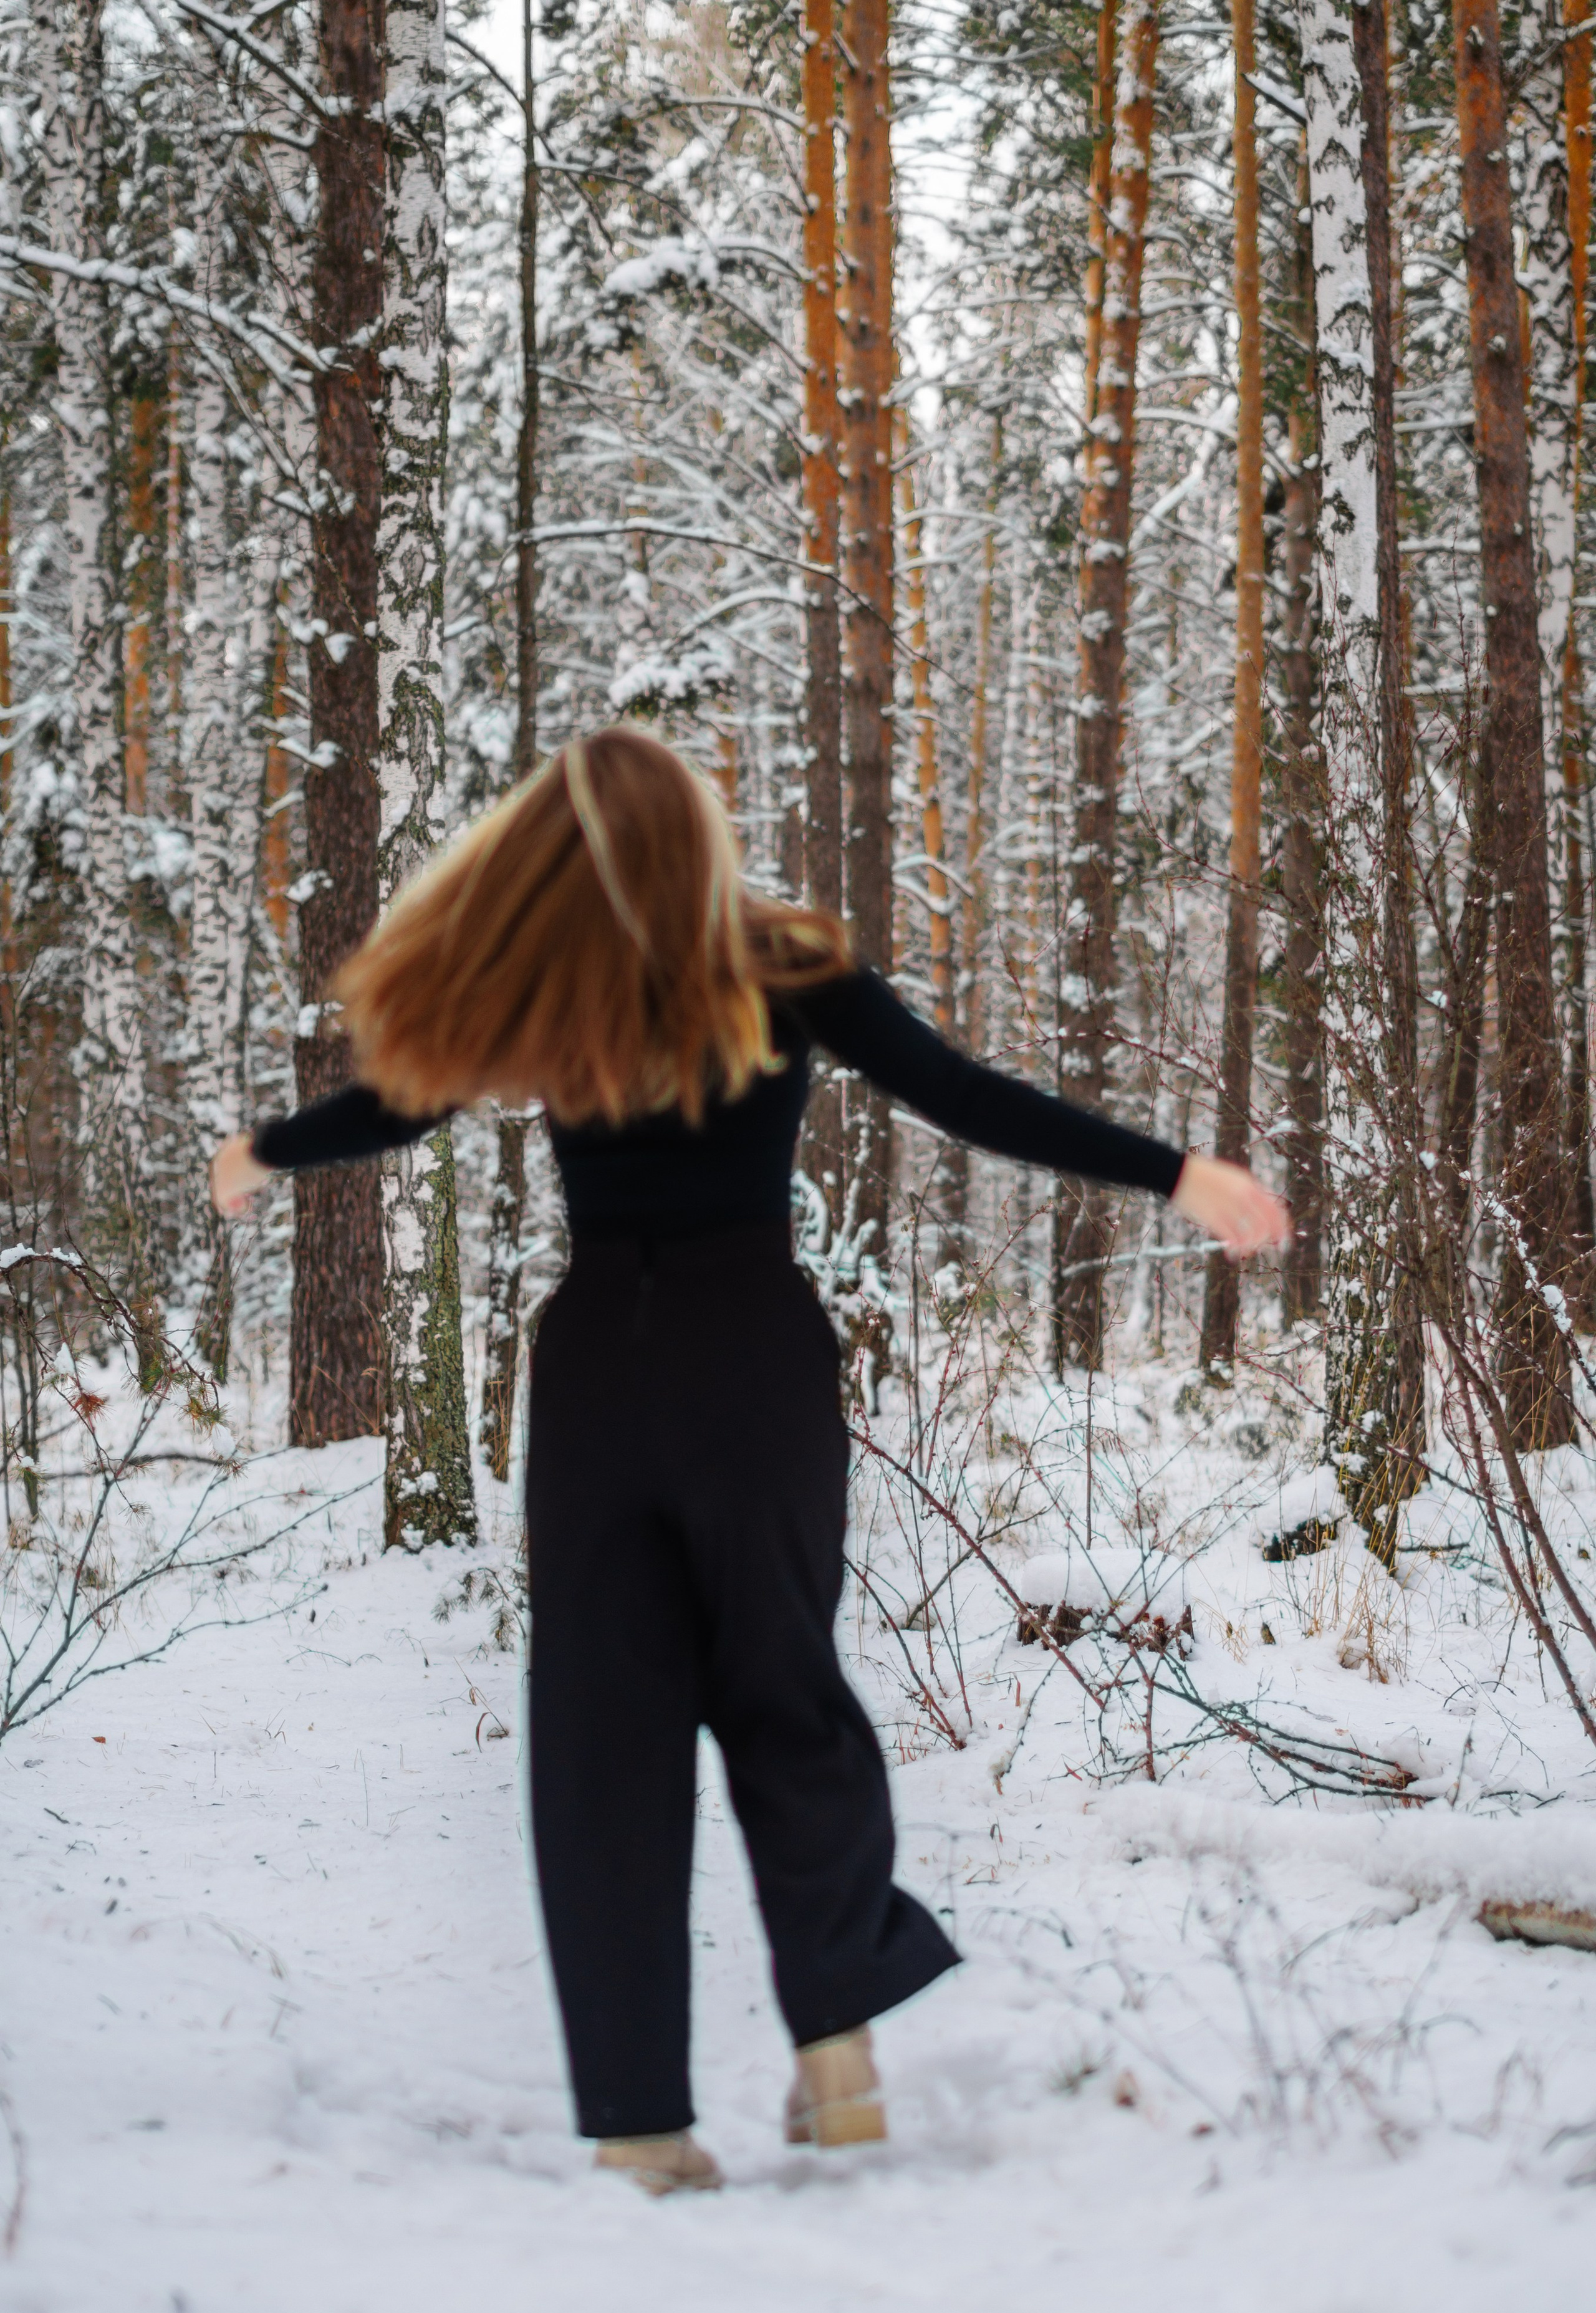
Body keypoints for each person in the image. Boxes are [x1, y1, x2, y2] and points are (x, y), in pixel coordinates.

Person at [211, 726, 1288, 2196]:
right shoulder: (782, 968)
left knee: (604, 1735)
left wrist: (263, 1152)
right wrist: (1178, 1172)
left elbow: (390, 1108)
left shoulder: (543, 987)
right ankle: (834, 2030)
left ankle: (642, 2124)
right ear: (698, 841)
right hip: (753, 1359)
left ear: (551, 854)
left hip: (598, 1367)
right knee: (785, 1689)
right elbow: (962, 1095)